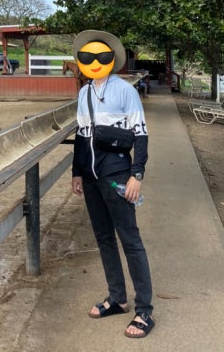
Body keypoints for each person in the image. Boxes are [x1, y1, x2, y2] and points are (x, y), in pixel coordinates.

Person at [71, 29, 155, 339]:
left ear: (112, 61)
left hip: (118, 175)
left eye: (102, 57)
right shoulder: (84, 94)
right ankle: (117, 297)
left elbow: (141, 133)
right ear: (81, 62)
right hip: (91, 178)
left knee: (130, 239)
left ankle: (144, 310)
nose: (94, 62)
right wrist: (76, 173)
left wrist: (137, 173)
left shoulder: (125, 91)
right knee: (104, 237)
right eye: (88, 57)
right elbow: (81, 137)